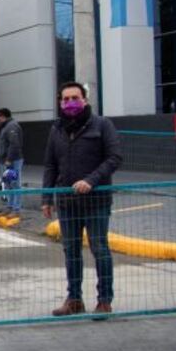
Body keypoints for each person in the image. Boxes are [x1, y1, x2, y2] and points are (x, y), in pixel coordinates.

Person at [42, 81, 122, 317]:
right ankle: (74, 299)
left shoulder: (102, 125)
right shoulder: (56, 129)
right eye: (65, 99)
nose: (70, 103)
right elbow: (50, 165)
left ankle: (104, 300)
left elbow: (114, 157)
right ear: (60, 102)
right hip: (67, 203)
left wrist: (91, 180)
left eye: (74, 98)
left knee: (100, 249)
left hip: (96, 201)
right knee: (71, 251)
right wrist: (47, 198)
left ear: (85, 100)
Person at [0, 108, 24, 213]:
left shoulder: (11, 126)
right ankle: (10, 206)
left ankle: (16, 209)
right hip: (8, 161)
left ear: (3, 116)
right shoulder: (6, 126)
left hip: (13, 161)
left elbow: (14, 144)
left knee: (15, 184)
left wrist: (9, 159)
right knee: (9, 184)